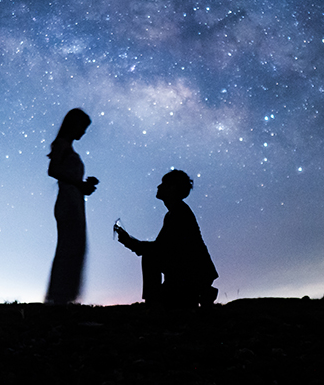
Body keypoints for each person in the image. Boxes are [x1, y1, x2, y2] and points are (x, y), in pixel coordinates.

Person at [115, 170, 218, 307]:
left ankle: (157, 302)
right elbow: (162, 247)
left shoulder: (179, 213)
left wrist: (130, 242)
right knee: (151, 257)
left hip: (191, 275)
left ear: (172, 188)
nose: (158, 187)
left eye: (163, 184)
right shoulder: (175, 212)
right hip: (190, 273)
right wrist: (131, 242)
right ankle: (192, 294)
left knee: (150, 257)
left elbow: (160, 248)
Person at [45, 108, 99, 305]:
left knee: (75, 245)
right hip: (68, 200)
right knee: (69, 245)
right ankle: (60, 296)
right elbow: (53, 170)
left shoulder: (69, 147)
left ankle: (66, 296)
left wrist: (84, 185)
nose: (83, 132)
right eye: (82, 127)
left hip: (75, 200)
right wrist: (79, 184)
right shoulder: (61, 144)